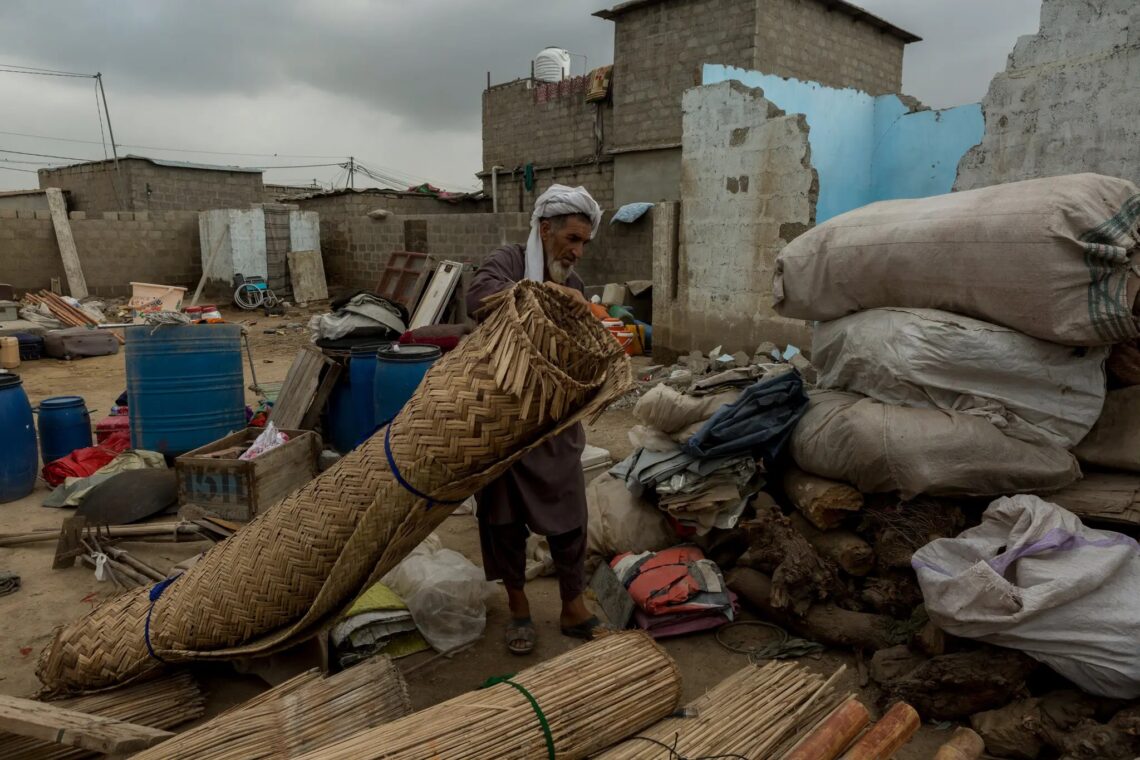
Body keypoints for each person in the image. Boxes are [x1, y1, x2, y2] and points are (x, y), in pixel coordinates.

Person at [465, 184, 604, 655]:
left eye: (584, 242)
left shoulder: (577, 287)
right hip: (505, 414)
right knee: (502, 519)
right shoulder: (507, 262)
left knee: (569, 514)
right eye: (571, 238)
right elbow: (479, 299)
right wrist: (548, 295)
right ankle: (519, 607)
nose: (577, 251)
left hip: (554, 419)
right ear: (544, 230)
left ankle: (572, 605)